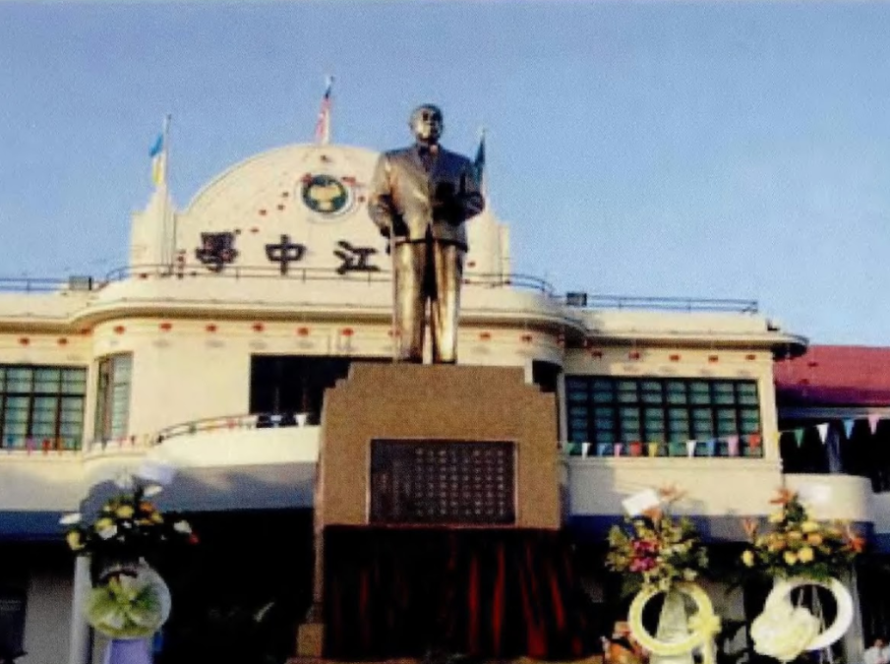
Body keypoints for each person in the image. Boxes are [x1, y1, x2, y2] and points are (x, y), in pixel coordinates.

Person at [368, 104, 485, 364]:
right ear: (412, 126)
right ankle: (409, 354)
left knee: (447, 299)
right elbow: (378, 199)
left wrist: (455, 204)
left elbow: (476, 200)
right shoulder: (391, 160)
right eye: (424, 118)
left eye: (436, 118)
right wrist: (389, 223)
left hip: (448, 237)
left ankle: (446, 355)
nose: (430, 122)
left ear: (443, 126)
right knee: (410, 296)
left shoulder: (460, 163)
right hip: (409, 236)